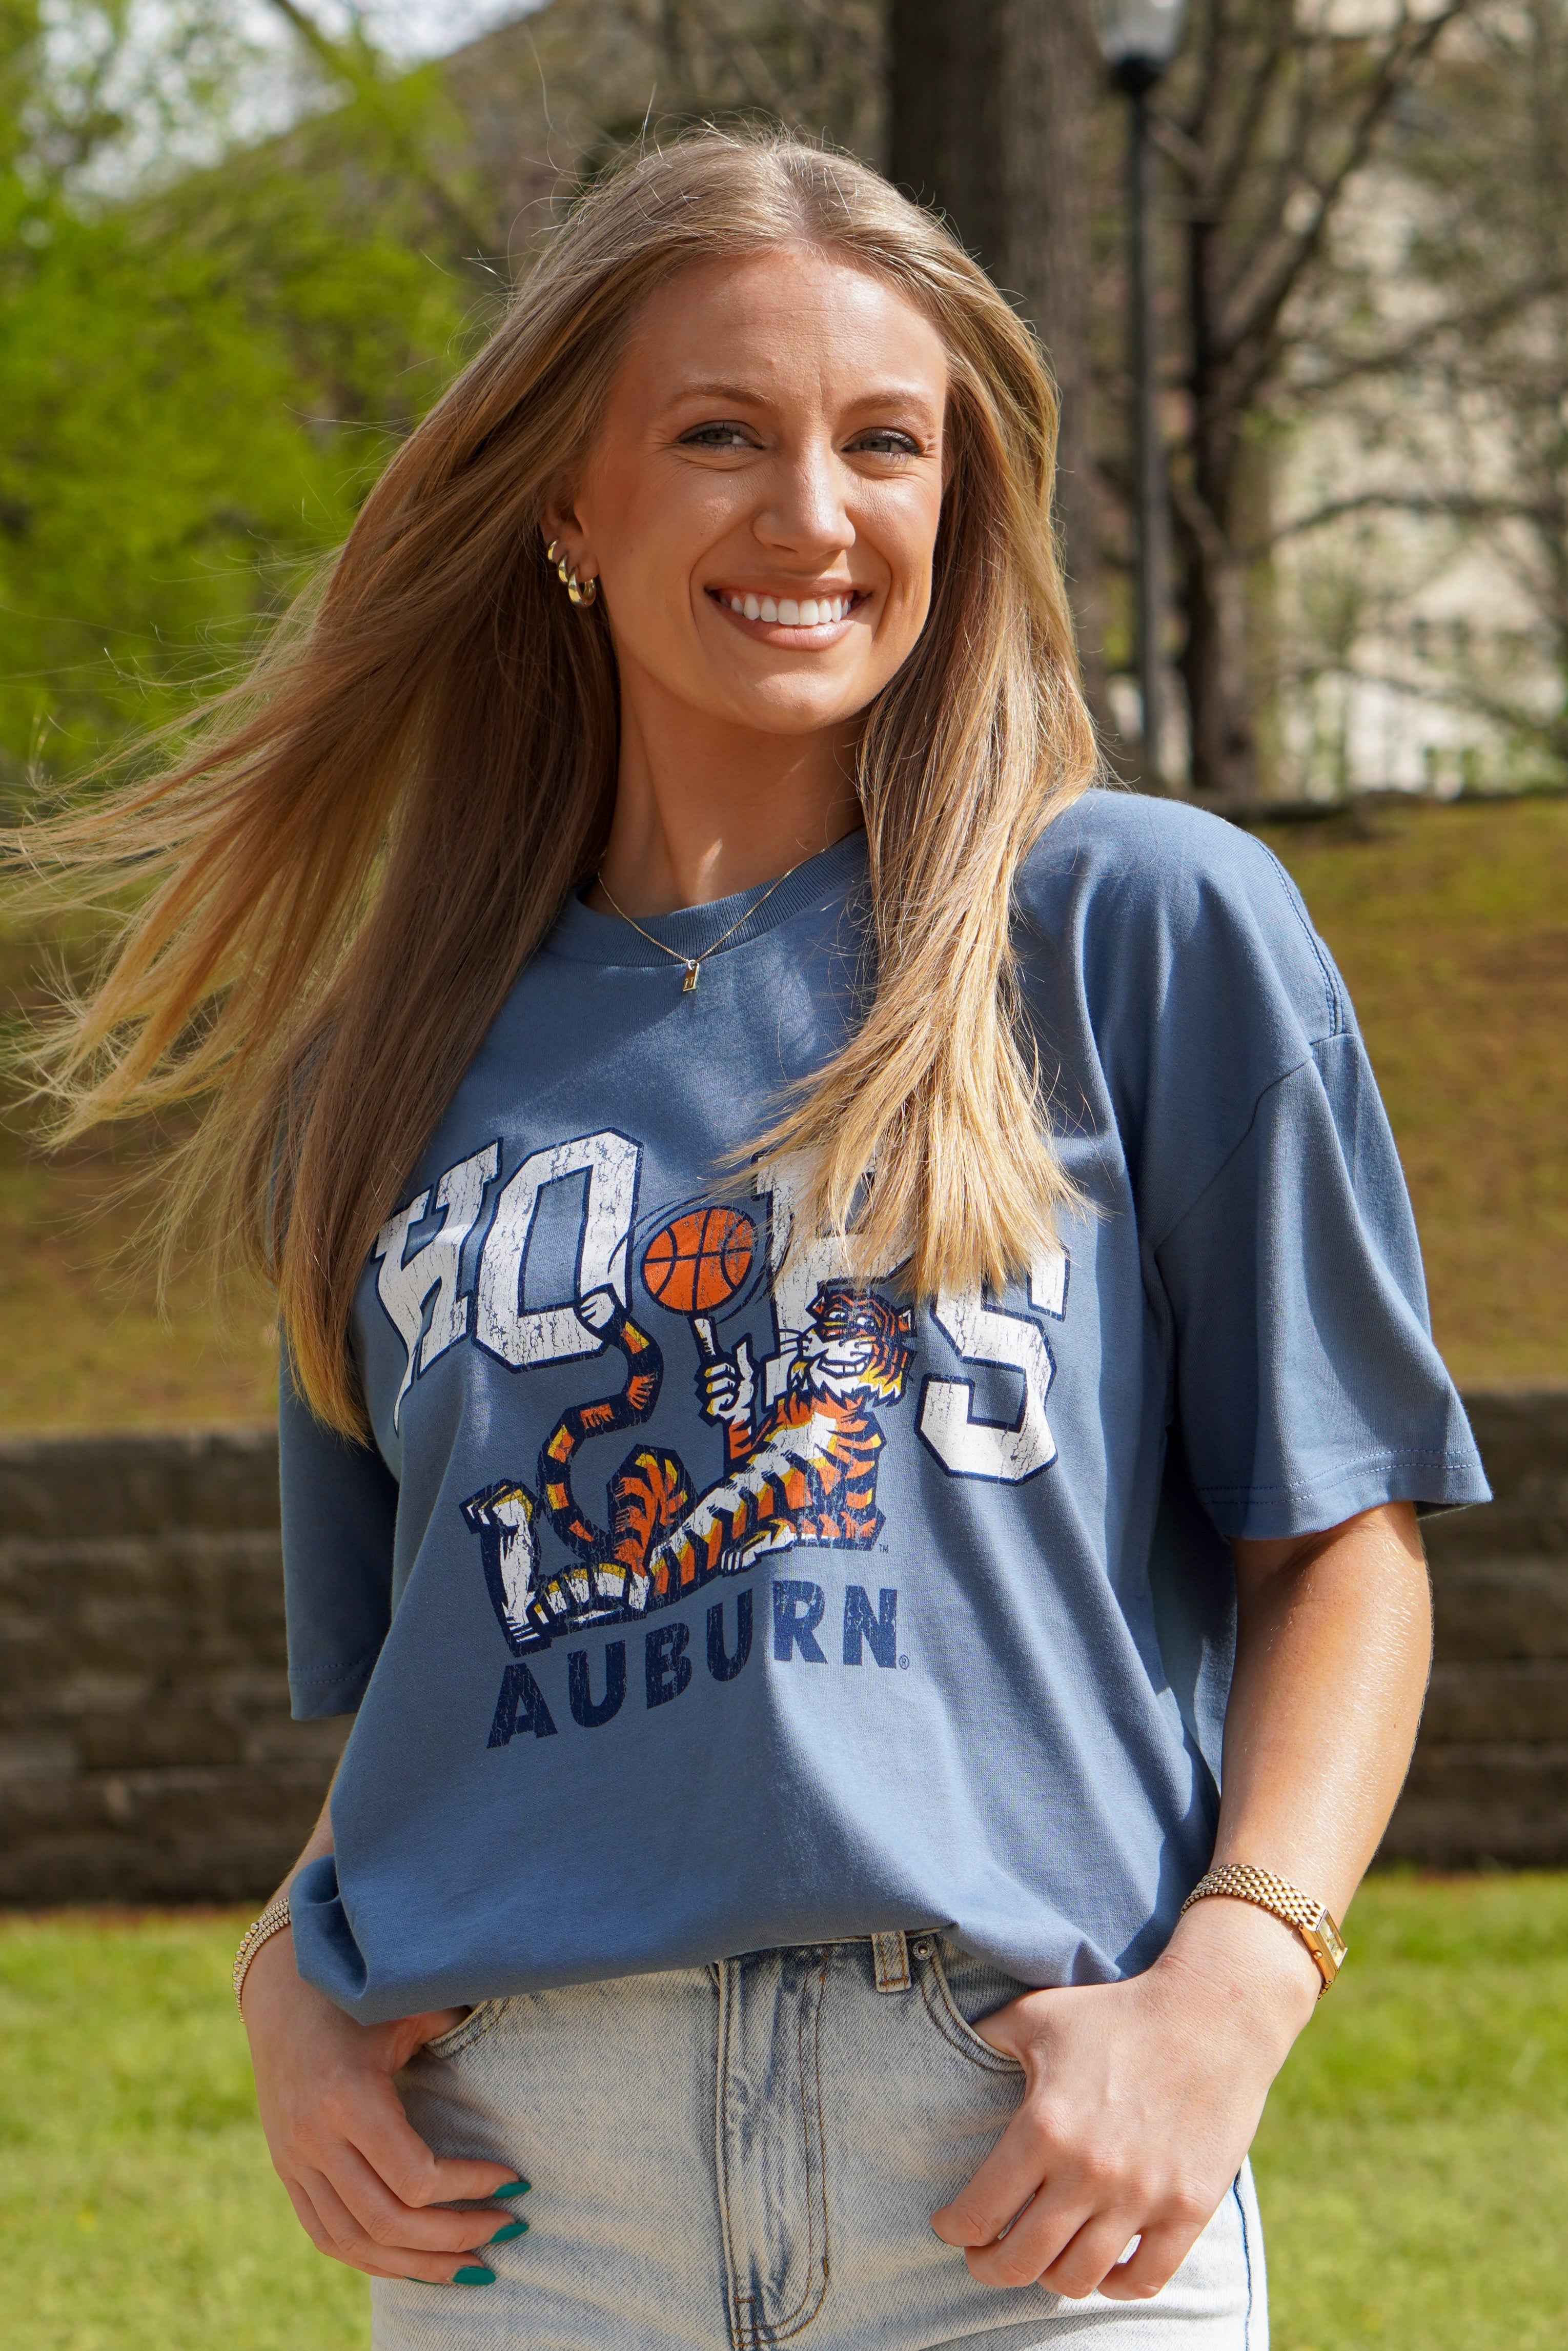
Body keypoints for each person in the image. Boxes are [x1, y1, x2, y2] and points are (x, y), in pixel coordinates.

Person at [27, 129, 1486, 2350]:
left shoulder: (1140, 931)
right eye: (722, 435)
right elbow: (470, 1664)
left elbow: (1344, 1542)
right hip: (531, 2200)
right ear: (565, 507)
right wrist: (287, 1980)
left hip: (1016, 2167)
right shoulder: (384, 1061)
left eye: (885, 445)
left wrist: (1240, 1982)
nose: (815, 514)